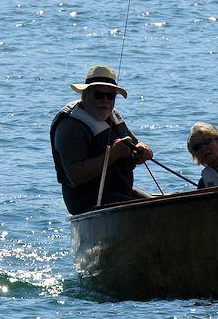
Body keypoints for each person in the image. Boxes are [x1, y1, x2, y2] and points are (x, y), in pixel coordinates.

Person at [51, 65, 153, 215]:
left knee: (166, 206)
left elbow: (134, 145)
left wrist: (143, 151)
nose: (105, 101)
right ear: (85, 96)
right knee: (148, 212)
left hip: (119, 193)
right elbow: (75, 176)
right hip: (89, 202)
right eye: (99, 95)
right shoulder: (70, 127)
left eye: (110, 96)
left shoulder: (112, 115)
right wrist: (112, 154)